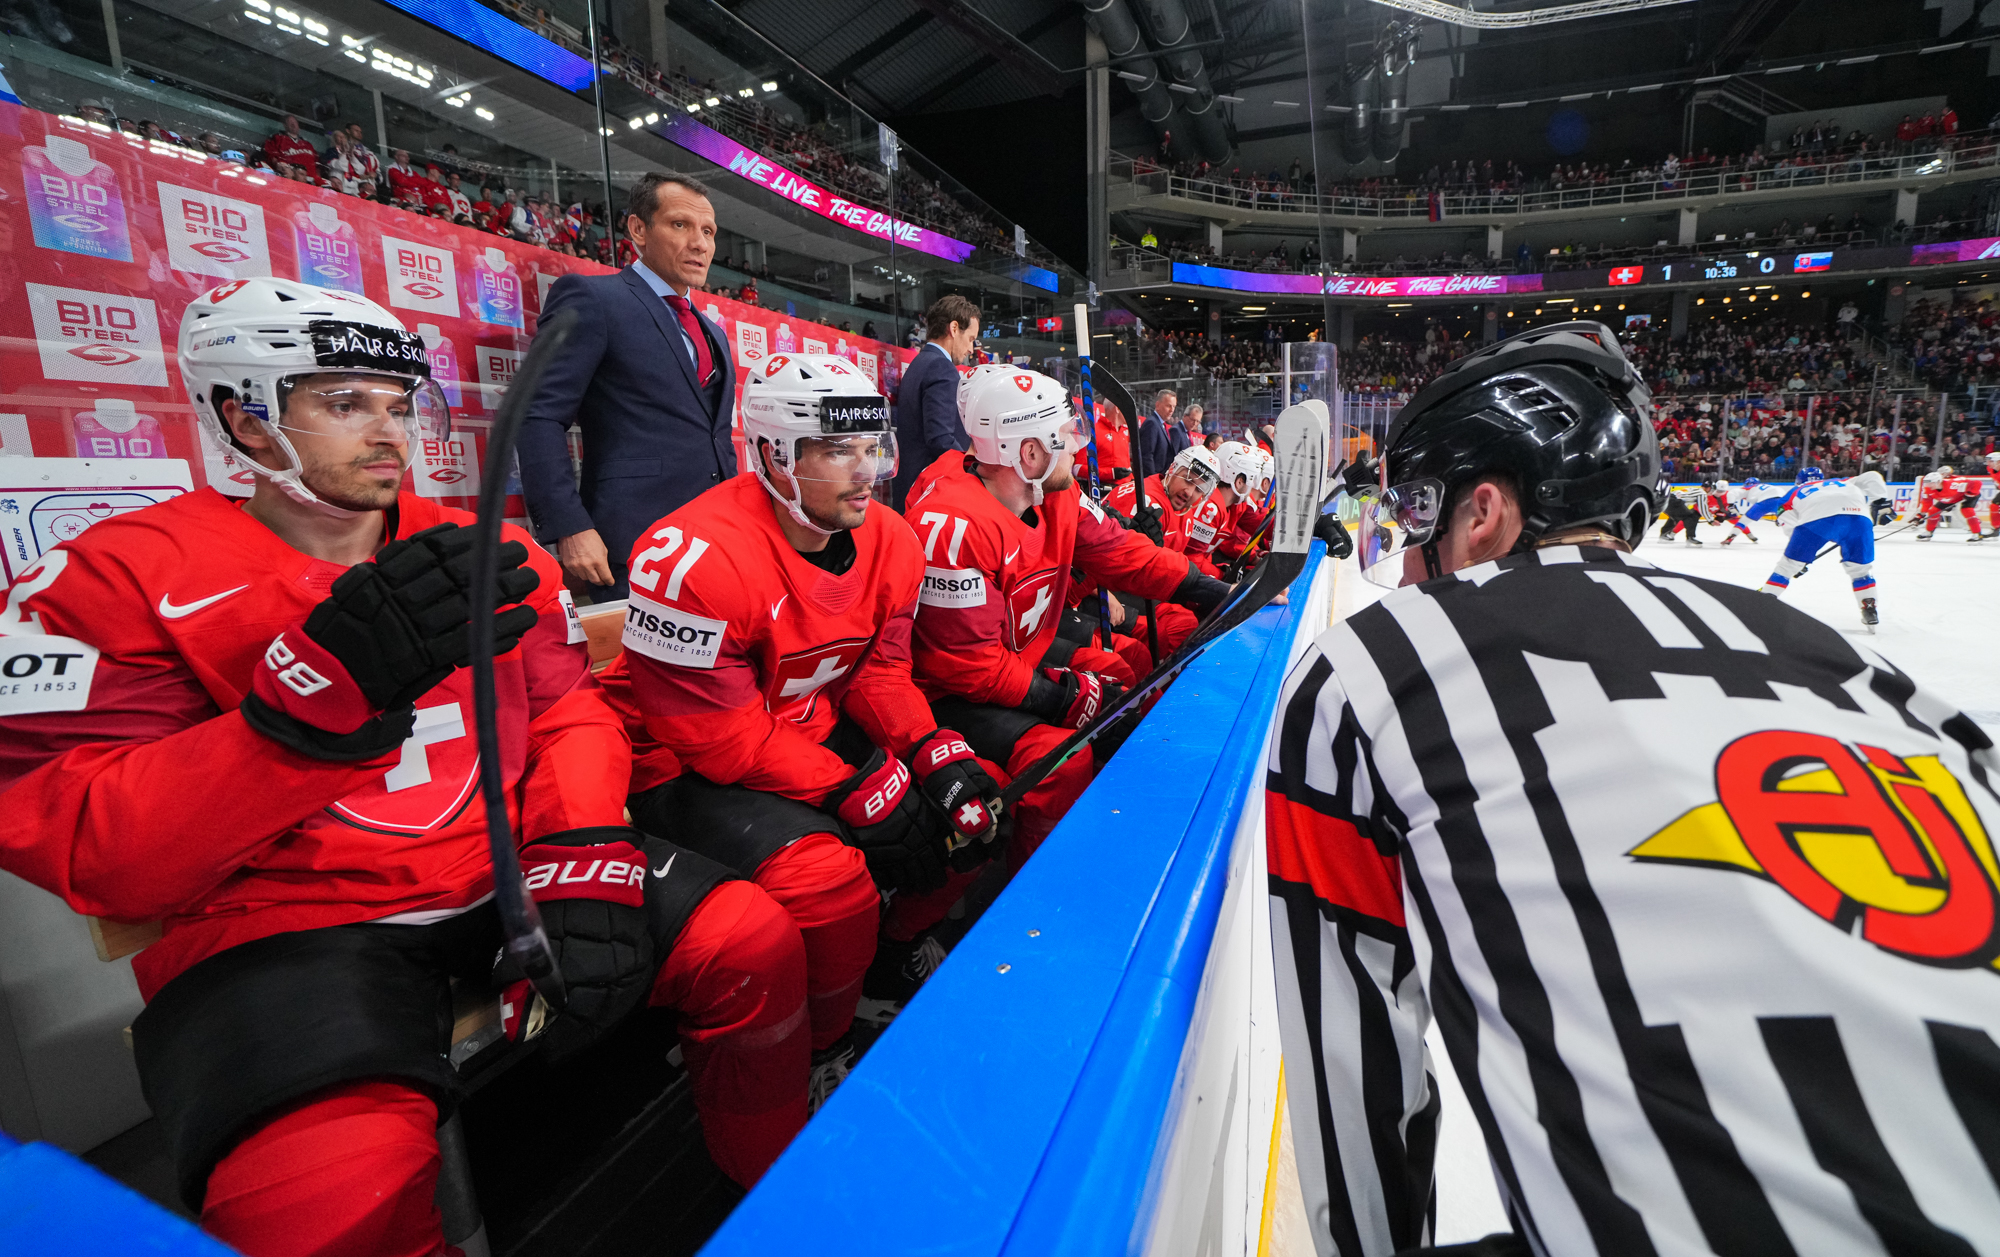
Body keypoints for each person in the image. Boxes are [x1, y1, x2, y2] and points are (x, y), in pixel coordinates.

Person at [0, 279, 811, 1253]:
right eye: (343, 402)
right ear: (242, 416)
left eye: (396, 402)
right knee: (324, 1204)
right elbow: (102, 854)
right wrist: (295, 720)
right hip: (285, 927)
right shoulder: (108, 578)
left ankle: (777, 1205)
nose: (387, 432)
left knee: (754, 942)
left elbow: (567, 714)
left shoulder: (492, 549)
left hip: (497, 869)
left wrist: (581, 840)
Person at [1267, 320, 2000, 1257]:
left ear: (1482, 512)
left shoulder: (1372, 665)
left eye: (1418, 514)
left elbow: (1357, 1089)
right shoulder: (1866, 670)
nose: (1407, 559)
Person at [597, 353, 1004, 1042]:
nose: (866, 469)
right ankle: (823, 1043)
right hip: (673, 759)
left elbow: (878, 673)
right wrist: (852, 785)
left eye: (871, 446)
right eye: (836, 449)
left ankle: (883, 962)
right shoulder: (694, 554)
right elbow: (719, 740)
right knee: (832, 888)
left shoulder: (893, 540)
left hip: (794, 732)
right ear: (772, 454)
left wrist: (927, 745)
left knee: (974, 800)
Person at [894, 367, 1234, 990]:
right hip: (943, 692)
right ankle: (996, 924)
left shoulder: (1049, 493)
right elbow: (963, 667)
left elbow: (1121, 554)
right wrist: (1061, 696)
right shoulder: (955, 522)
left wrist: (1210, 590)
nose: (1077, 444)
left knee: (1107, 704)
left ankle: (1041, 888)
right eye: (1063, 433)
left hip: (1006, 667)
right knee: (1057, 761)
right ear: (1027, 451)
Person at [518, 173, 735, 601]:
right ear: (638, 229)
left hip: (718, 541)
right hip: (633, 546)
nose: (699, 243)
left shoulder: (714, 331)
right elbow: (536, 413)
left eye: (708, 232)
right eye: (680, 225)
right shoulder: (591, 297)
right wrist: (570, 525)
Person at [1743, 469, 1893, 626]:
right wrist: (1880, 501)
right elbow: (1872, 476)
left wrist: (1800, 560)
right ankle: (1869, 608)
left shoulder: (1792, 492)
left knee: (1786, 568)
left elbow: (1791, 527)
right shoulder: (1842, 481)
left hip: (1816, 522)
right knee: (1860, 570)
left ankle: (1764, 603)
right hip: (1859, 520)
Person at [891, 293, 980, 508]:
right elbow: (940, 438)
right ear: (954, 328)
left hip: (911, 488)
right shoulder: (941, 367)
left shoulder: (919, 363)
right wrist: (971, 470)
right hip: (928, 493)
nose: (971, 349)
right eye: (970, 339)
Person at [1911, 465, 1987, 542]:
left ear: (1938, 482)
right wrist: (1920, 515)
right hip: (1950, 498)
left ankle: (1977, 534)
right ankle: (1928, 532)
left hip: (1966, 496)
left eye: (1930, 483)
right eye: (1926, 483)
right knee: (1933, 511)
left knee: (1967, 510)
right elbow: (1926, 502)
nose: (1927, 485)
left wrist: (1970, 494)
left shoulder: (1953, 484)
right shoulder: (1928, 489)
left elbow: (1977, 483)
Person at [1135, 388, 1180, 482]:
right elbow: (1147, 455)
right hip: (1151, 480)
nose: (1172, 410)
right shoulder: (1152, 424)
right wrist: (1153, 480)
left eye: (1174, 406)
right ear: (1158, 405)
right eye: (1168, 406)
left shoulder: (1161, 425)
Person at [1703, 475, 1758, 545]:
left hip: (1727, 512)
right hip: (1717, 511)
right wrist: (1711, 518)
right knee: (1740, 523)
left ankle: (1750, 535)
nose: (1720, 493)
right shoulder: (1709, 496)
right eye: (1719, 490)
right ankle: (1750, 535)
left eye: (1722, 491)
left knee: (1739, 523)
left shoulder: (1729, 494)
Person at [262, 114, 319, 180]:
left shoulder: (308, 145)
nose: (293, 125)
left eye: (295, 122)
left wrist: (318, 180)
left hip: (311, 183)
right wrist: (281, 166)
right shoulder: (278, 139)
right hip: (289, 179)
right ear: (285, 125)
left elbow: (317, 165)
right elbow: (271, 155)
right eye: (290, 122)